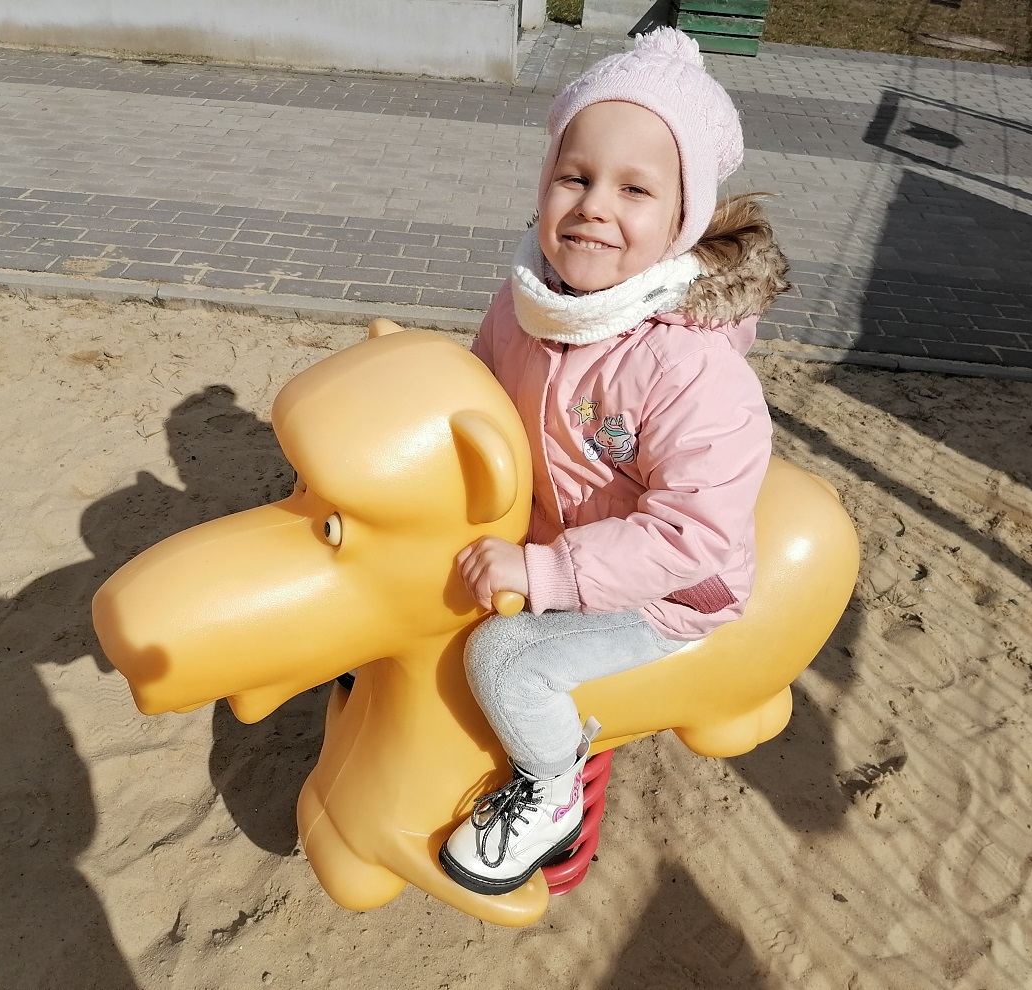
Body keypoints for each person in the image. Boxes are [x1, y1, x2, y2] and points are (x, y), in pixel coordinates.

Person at [438, 27, 790, 895]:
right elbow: (476, 394)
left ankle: (551, 790)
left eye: (634, 189)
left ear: (682, 219)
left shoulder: (689, 366)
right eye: (576, 177)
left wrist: (547, 572)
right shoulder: (528, 303)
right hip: (550, 535)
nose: (595, 206)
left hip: (665, 592)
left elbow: (691, 534)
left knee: (503, 660)